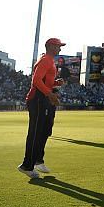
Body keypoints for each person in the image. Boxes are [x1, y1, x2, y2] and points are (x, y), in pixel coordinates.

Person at [18, 38, 65, 178]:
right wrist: (50, 94)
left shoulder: (49, 61)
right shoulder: (45, 60)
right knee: (36, 132)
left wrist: (56, 83)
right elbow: (36, 81)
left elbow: (44, 80)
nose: (60, 49)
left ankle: (38, 160)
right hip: (38, 98)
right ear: (50, 46)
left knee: (45, 131)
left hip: (43, 98)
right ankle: (27, 165)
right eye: (58, 46)